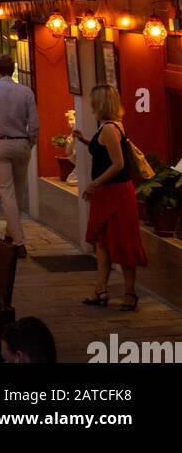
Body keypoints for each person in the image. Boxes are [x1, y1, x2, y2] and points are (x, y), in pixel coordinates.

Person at [73, 84, 148, 310]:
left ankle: (129, 293)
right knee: (102, 242)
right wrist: (86, 141)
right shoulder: (107, 127)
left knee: (123, 242)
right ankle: (101, 289)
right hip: (108, 193)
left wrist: (93, 184)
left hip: (115, 193)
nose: (91, 104)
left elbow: (118, 164)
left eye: (94, 100)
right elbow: (105, 153)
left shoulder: (109, 129)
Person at [0, 53, 39, 257]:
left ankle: (19, 241)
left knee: (7, 193)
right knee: (18, 192)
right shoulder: (26, 92)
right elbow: (35, 122)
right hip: (21, 143)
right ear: (13, 69)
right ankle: (10, 234)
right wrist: (29, 142)